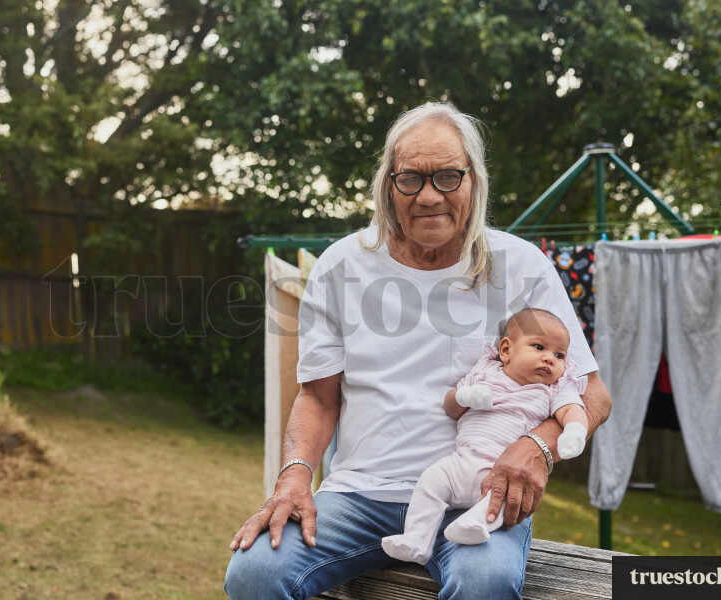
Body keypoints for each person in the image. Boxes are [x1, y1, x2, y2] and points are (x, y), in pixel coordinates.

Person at [225, 101, 612, 600]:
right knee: (254, 575)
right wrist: (295, 476)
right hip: (358, 496)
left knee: (485, 583)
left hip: (477, 493)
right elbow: (318, 398)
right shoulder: (341, 266)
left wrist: (536, 446)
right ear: (389, 184)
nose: (430, 196)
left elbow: (592, 393)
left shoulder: (521, 266)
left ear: (474, 181)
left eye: (449, 177)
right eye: (411, 179)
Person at [382, 308, 589, 565]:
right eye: (539, 347)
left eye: (559, 355)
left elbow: (573, 410)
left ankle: (474, 525)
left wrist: (575, 431)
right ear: (506, 350)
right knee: (431, 482)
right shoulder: (484, 373)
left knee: (501, 499)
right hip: (460, 462)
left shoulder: (552, 390)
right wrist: (465, 396)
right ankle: (416, 540)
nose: (550, 359)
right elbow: (451, 407)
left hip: (503, 471)